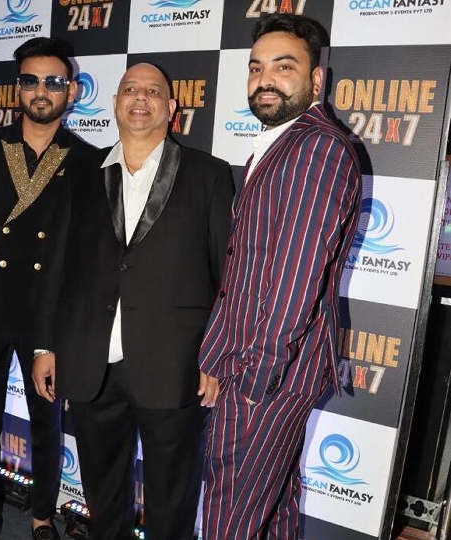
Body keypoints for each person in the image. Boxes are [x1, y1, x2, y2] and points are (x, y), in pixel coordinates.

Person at [31, 62, 235, 540]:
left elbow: (228, 277)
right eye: (130, 89)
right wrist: (45, 344)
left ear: (172, 108)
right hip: (90, 364)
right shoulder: (79, 173)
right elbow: (56, 265)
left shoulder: (209, 175)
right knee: (103, 495)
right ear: (115, 103)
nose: (140, 98)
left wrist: (217, 357)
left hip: (175, 367)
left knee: (172, 499)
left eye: (153, 91)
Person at [198, 13, 362, 540]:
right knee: (275, 511)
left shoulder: (315, 147)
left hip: (268, 376)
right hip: (261, 367)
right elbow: (246, 268)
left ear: (316, 79)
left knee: (229, 520)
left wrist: (255, 379)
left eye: (283, 67)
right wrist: (216, 356)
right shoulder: (280, 143)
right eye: (256, 68)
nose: (265, 79)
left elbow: (296, 279)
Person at [0, 37, 99, 540]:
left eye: (53, 81)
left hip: (47, 313)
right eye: (31, 80)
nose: (41, 90)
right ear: (17, 88)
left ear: (72, 91)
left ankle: (42, 516)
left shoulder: (87, 160)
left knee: (46, 423)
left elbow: (85, 256)